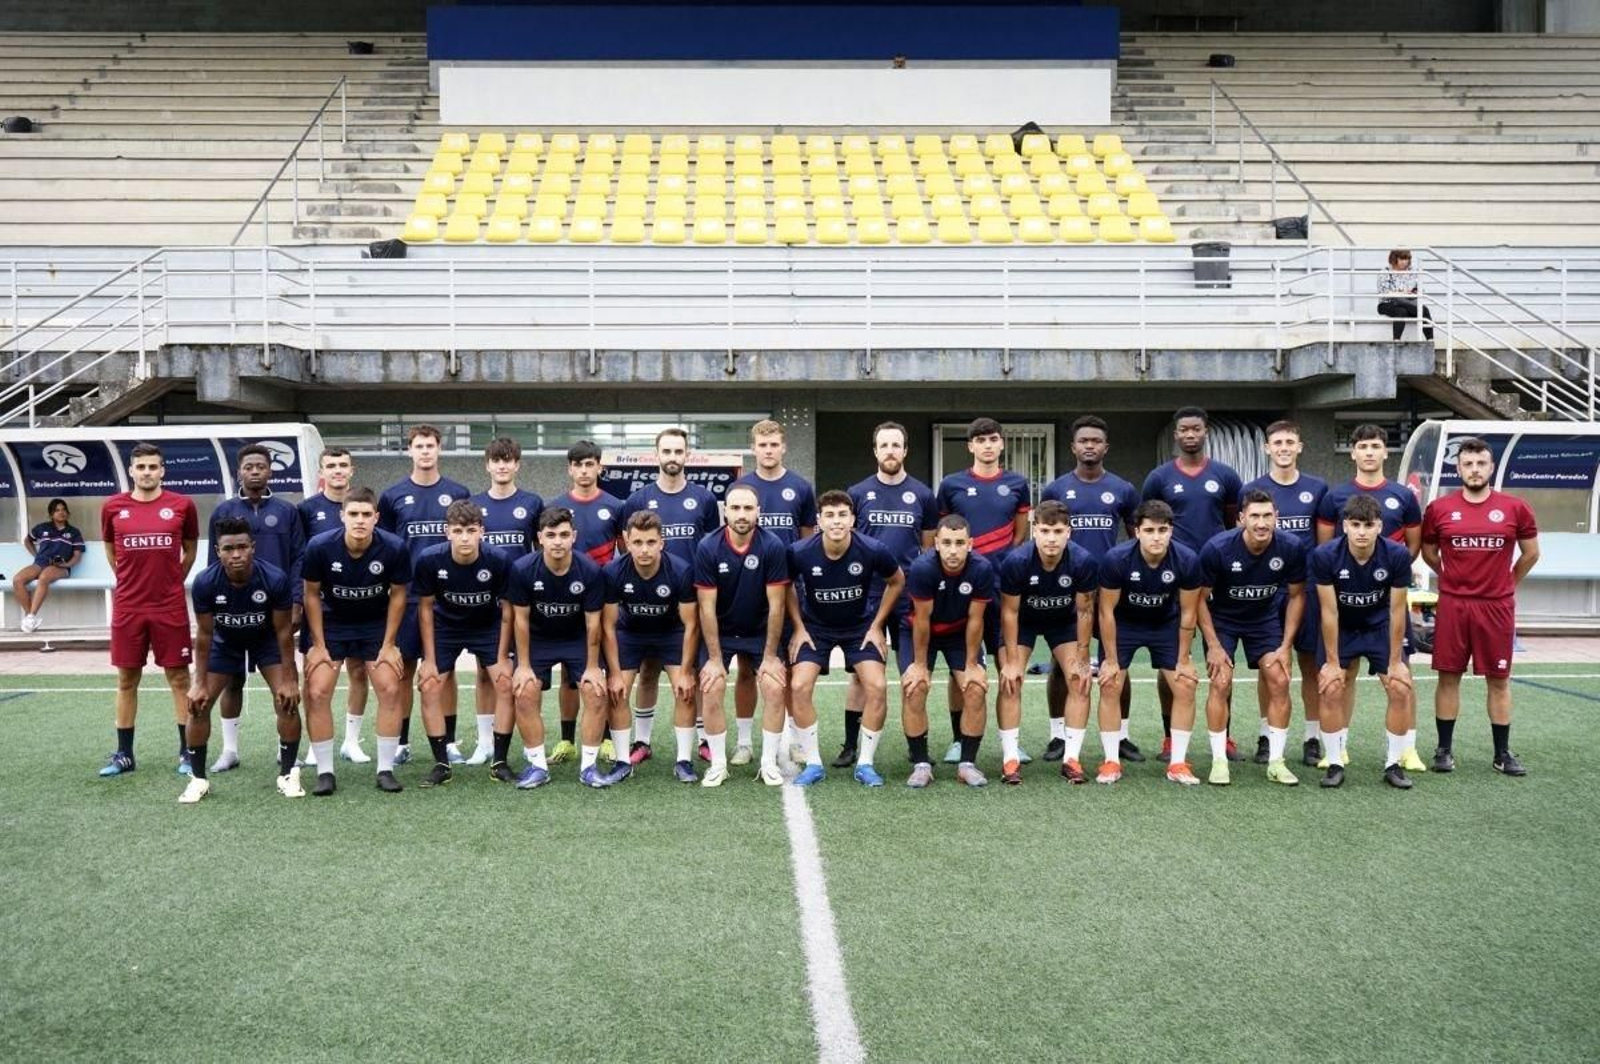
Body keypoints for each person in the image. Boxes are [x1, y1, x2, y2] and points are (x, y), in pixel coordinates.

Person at [1420, 437, 1540, 776]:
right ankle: (1443, 750)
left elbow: (1531, 553)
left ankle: (1502, 753)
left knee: (1499, 679)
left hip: (1496, 607)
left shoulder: (1515, 508)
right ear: (1458, 468)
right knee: (1448, 676)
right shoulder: (1440, 509)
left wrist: (1507, 583)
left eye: (1481, 463)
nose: (1475, 470)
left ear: (1491, 467)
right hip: (1455, 604)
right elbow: (1429, 551)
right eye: (1468, 464)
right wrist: (1448, 576)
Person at [1316, 423, 1426, 773]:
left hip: (1383, 604)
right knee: (1337, 680)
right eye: (1362, 446)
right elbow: (1324, 548)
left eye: (1375, 446)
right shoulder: (1335, 497)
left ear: (1384, 451)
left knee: (1401, 679)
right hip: (1345, 604)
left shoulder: (1402, 497)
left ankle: (1405, 750)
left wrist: (1384, 572)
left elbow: (1413, 544)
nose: (1368, 452)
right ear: (1353, 452)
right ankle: (1338, 752)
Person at [1142, 407, 1244, 763]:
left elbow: (1232, 523)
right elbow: (1146, 525)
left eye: (1195, 429)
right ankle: (1171, 738)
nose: (1189, 434)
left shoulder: (1226, 476)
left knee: (1221, 660)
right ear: (1176, 434)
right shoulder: (1159, 477)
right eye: (1183, 429)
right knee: (1171, 660)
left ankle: (1225, 736)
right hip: (1174, 579)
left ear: (1205, 431)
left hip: (1217, 580)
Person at [1039, 415, 1140, 763]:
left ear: (1105, 446)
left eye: (1096, 441)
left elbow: (1136, 536)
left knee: (1117, 662)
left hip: (1111, 590)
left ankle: (1122, 736)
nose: (1090, 446)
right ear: (1073, 447)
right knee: (1062, 664)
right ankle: (1057, 735)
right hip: (1068, 590)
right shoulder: (1056, 489)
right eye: (1084, 441)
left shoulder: (1124, 489)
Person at [786, 491, 903, 787]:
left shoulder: (873, 548)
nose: (836, 521)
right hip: (816, 629)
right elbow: (784, 585)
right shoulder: (799, 551)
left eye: (842, 515)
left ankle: (865, 763)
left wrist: (877, 625)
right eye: (829, 515)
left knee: (877, 685)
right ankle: (813, 763)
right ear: (819, 521)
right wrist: (798, 626)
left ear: (852, 519)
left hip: (859, 628)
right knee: (799, 685)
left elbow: (897, 580)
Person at [179, 518, 300, 803]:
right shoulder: (205, 582)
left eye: (242, 547)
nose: (236, 554)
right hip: (226, 644)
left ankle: (287, 773)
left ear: (253, 548)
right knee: (198, 705)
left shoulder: (274, 579)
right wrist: (198, 683)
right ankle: (198, 779)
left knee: (288, 701)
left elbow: (284, 633)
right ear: (218, 551)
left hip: (266, 642)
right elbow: (205, 636)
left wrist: (291, 679)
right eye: (228, 548)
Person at [300, 487, 412, 794]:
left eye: (366, 514)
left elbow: (399, 594)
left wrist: (389, 644)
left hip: (374, 625)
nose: (359, 520)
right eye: (353, 514)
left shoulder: (394, 547)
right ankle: (325, 773)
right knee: (318, 690)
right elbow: (310, 594)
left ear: (376, 517)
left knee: (390, 687)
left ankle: (385, 770)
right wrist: (319, 645)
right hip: (333, 622)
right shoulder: (320, 547)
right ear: (342, 516)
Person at [98, 443, 199, 778]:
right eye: (140, 467)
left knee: (180, 678)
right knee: (127, 679)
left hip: (169, 606)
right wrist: (130, 580)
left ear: (162, 470)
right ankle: (124, 754)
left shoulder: (181, 505)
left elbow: (190, 549)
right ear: (131, 471)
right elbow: (112, 550)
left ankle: (187, 752)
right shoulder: (113, 507)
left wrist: (172, 581)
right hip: (129, 606)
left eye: (153, 467)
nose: (146, 473)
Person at [840, 421, 938, 767]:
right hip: (867, 596)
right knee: (861, 675)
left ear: (905, 450)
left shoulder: (924, 495)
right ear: (875, 450)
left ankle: (917, 750)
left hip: (909, 597)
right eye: (884, 445)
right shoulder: (858, 492)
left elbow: (927, 548)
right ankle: (851, 745)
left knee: (911, 673)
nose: (890, 451)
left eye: (896, 445)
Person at [619, 428, 720, 765]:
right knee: (647, 670)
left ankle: (705, 738)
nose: (673, 457)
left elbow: (709, 548)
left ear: (687, 455)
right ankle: (642, 742)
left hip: (691, 600)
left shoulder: (703, 499)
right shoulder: (637, 500)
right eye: (667, 451)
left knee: (696, 670)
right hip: (646, 600)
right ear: (656, 455)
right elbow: (628, 546)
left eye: (679, 451)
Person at [1196, 489, 1308, 788]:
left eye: (1268, 515)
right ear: (1241, 518)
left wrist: (1286, 646)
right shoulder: (1218, 548)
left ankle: (1276, 761)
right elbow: (1198, 599)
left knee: (1280, 680)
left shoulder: (1291, 547)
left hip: (1264, 620)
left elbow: (1297, 596)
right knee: (1220, 680)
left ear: (1277, 517)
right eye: (1255, 516)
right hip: (1224, 620)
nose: (1261, 523)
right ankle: (1219, 761)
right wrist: (1215, 646)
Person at [205, 443, 306, 776]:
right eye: (248, 466)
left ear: (270, 471)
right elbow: (211, 563)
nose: (254, 471)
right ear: (239, 472)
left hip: (274, 611)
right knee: (231, 683)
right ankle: (230, 750)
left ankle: (284, 751)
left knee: (281, 686)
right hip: (233, 613)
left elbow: (298, 559)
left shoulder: (287, 510)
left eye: (260, 466)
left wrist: (296, 600)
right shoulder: (223, 511)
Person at [935, 417, 1030, 763]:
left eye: (993, 439)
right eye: (981, 440)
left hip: (1004, 587)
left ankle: (1011, 742)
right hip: (963, 588)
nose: (988, 445)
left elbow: (1020, 535)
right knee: (962, 664)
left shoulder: (1018, 484)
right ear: (970, 446)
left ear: (1001, 444)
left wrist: (1000, 564)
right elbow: (944, 532)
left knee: (1008, 661)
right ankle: (960, 739)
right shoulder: (952, 484)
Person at [507, 506, 620, 788]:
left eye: (564, 535)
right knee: (524, 691)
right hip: (538, 639)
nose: (557, 541)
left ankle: (589, 767)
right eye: (551, 535)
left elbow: (594, 625)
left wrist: (594, 667)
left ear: (574, 537)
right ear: (539, 538)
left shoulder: (591, 571)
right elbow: (519, 621)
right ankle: (537, 766)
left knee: (595, 691)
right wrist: (522, 666)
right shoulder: (522, 569)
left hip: (577, 639)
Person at [378, 424, 471, 765]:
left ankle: (448, 741)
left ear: (439, 449)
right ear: (410, 451)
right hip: (409, 597)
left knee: (444, 673)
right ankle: (401, 742)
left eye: (430, 445)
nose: (425, 451)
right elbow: (386, 548)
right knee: (404, 669)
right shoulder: (392, 496)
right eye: (419, 446)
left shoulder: (458, 492)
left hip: (447, 597)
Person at [1310, 495, 1416, 789]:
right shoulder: (1325, 556)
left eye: (1368, 525)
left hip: (1379, 625)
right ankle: (1334, 762)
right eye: (1355, 524)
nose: (1361, 531)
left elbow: (1397, 610)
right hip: (1342, 627)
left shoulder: (1396, 555)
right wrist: (1332, 663)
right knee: (1331, 687)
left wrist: (1395, 662)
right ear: (1344, 525)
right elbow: (1328, 611)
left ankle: (1393, 764)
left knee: (1400, 686)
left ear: (1379, 526)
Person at [1095, 501, 1203, 785]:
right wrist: (1110, 659)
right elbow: (1105, 611)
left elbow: (1189, 612)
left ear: (1171, 531)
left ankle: (1177, 763)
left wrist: (1183, 659)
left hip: (1165, 624)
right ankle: (1110, 761)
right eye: (1150, 530)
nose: (1156, 536)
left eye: (1163, 530)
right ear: (1137, 532)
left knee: (1185, 684)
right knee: (1110, 683)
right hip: (1124, 625)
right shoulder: (1116, 559)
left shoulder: (1187, 559)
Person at [1241, 420, 1329, 766]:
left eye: (1290, 442)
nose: (1283, 448)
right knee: (1270, 666)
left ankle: (1311, 737)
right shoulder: (1252, 489)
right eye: (1277, 442)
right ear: (1267, 448)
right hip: (1264, 590)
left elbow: (1323, 544)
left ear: (1300, 446)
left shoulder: (1317, 488)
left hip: (1303, 589)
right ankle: (1266, 735)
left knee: (1309, 665)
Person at [728, 420, 816, 764]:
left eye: (774, 444)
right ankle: (746, 743)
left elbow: (808, 539)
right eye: (762, 445)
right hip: (748, 590)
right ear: (754, 449)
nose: (768, 450)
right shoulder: (742, 488)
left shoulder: (800, 487)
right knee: (748, 669)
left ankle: (794, 739)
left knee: (791, 669)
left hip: (790, 591)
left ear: (783, 447)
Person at [412, 501, 514, 789]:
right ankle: (441, 763)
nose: (465, 537)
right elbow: (425, 610)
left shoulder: (498, 560)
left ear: (482, 531)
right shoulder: (429, 560)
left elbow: (507, 611)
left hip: (487, 627)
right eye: (458, 531)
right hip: (446, 627)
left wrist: (503, 655)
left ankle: (500, 762)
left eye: (471, 530)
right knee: (430, 684)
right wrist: (429, 660)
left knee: (505, 683)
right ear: (448, 533)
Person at [693, 485, 790, 786]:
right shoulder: (708, 547)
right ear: (725, 512)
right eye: (735, 508)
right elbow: (706, 609)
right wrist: (712, 659)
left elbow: (777, 605)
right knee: (711, 686)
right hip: (720, 631)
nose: (742, 515)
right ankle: (719, 764)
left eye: (748, 508)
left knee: (774, 687)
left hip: (760, 630)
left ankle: (768, 762)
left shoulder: (772, 546)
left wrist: (771, 657)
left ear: (759, 511)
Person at [998, 500, 1099, 784]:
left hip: (1063, 622)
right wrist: (1012, 661)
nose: (1051, 538)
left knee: (1079, 679)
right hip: (1023, 623)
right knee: (1011, 680)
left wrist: (1082, 655)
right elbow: (1010, 611)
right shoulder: (1016, 561)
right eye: (1045, 531)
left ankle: (1072, 759)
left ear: (1069, 531)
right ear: (1034, 531)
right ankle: (1010, 760)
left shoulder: (1083, 561)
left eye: (1057, 531)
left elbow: (1085, 610)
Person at [603, 512, 700, 780]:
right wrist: (612, 673)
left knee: (685, 690)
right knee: (617, 691)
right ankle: (623, 761)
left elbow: (691, 624)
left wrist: (687, 670)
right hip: (630, 632)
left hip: (671, 631)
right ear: (626, 541)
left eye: (650, 542)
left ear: (662, 542)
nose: (644, 549)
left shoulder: (680, 570)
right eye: (637, 542)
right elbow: (608, 626)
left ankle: (683, 761)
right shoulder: (612, 572)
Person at [468, 437, 542, 767]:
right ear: (487, 465)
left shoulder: (532, 502)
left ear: (517, 465)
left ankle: (530, 742)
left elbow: (538, 550)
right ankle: (485, 742)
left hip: (522, 603)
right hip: (485, 602)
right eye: (496, 460)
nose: (502, 465)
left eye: (508, 460)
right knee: (485, 672)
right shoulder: (473, 504)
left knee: (524, 675)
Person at [551, 439, 624, 764]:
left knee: (604, 670)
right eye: (578, 465)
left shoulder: (615, 505)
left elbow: (625, 552)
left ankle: (606, 739)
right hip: (567, 601)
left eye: (589, 464)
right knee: (569, 673)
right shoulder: (555, 507)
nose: (584, 470)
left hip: (603, 600)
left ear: (599, 467)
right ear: (570, 469)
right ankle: (567, 740)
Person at [297, 446, 372, 763]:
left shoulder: (364, 506)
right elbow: (298, 557)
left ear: (352, 470)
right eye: (331, 465)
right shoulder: (306, 509)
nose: (338, 470)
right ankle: (316, 744)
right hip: (319, 607)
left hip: (358, 606)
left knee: (358, 671)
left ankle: (351, 741)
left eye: (343, 465)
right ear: (321, 472)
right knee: (315, 674)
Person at [13, 497, 84, 633]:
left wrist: (66, 564)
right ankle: (31, 617)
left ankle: (31, 617)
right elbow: (27, 540)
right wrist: (36, 555)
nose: (61, 512)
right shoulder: (42, 528)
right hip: (40, 563)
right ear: (51, 514)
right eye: (57, 510)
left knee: (44, 577)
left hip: (60, 567)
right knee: (18, 580)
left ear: (67, 513)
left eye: (63, 510)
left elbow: (77, 556)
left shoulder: (74, 532)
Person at [1377, 248, 1434, 343]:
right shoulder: (1386, 271)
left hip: (1408, 301)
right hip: (1388, 303)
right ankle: (1396, 342)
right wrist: (1402, 293)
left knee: (1423, 310)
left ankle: (1430, 342)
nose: (1404, 262)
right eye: (1401, 259)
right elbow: (1384, 292)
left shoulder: (1412, 271)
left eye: (1406, 259)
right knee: (1401, 312)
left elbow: (1420, 289)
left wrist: (1412, 292)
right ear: (1394, 258)